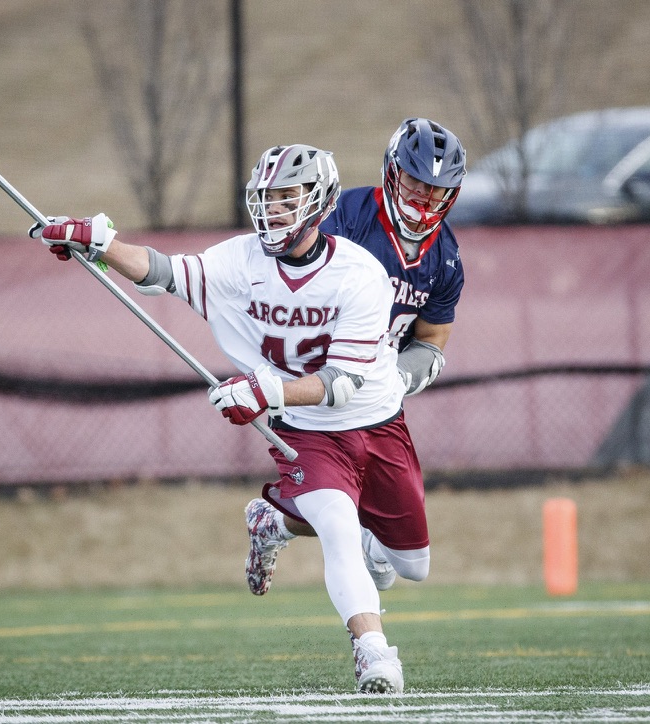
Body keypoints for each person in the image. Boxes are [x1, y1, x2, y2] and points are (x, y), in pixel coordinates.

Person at [31, 143, 421, 694]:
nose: (274, 210)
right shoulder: (240, 260)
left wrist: (266, 390)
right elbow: (162, 272)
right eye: (267, 198)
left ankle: (273, 522)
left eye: (288, 197)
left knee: (413, 564)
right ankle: (374, 653)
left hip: (374, 420)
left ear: (320, 202)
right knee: (337, 525)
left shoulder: (360, 274)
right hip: (307, 431)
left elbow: (340, 385)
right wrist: (98, 243)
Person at [242, 119, 467, 611]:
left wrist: (397, 376)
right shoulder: (347, 216)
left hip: (375, 401)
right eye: (415, 184)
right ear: (392, 173)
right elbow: (291, 278)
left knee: (407, 567)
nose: (424, 200)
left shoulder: (446, 256)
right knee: (337, 511)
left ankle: (274, 522)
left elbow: (431, 340)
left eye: (437, 191)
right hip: (315, 382)